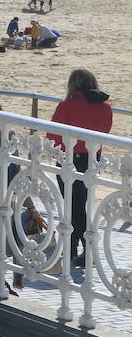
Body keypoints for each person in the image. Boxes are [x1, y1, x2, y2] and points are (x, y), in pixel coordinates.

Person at [48, 69, 113, 268]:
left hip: (70, 157)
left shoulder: (68, 104)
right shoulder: (105, 106)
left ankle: (81, 249)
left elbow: (54, 133)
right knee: (79, 204)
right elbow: (106, 130)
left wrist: (56, 150)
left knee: (72, 205)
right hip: (93, 157)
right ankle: (77, 248)